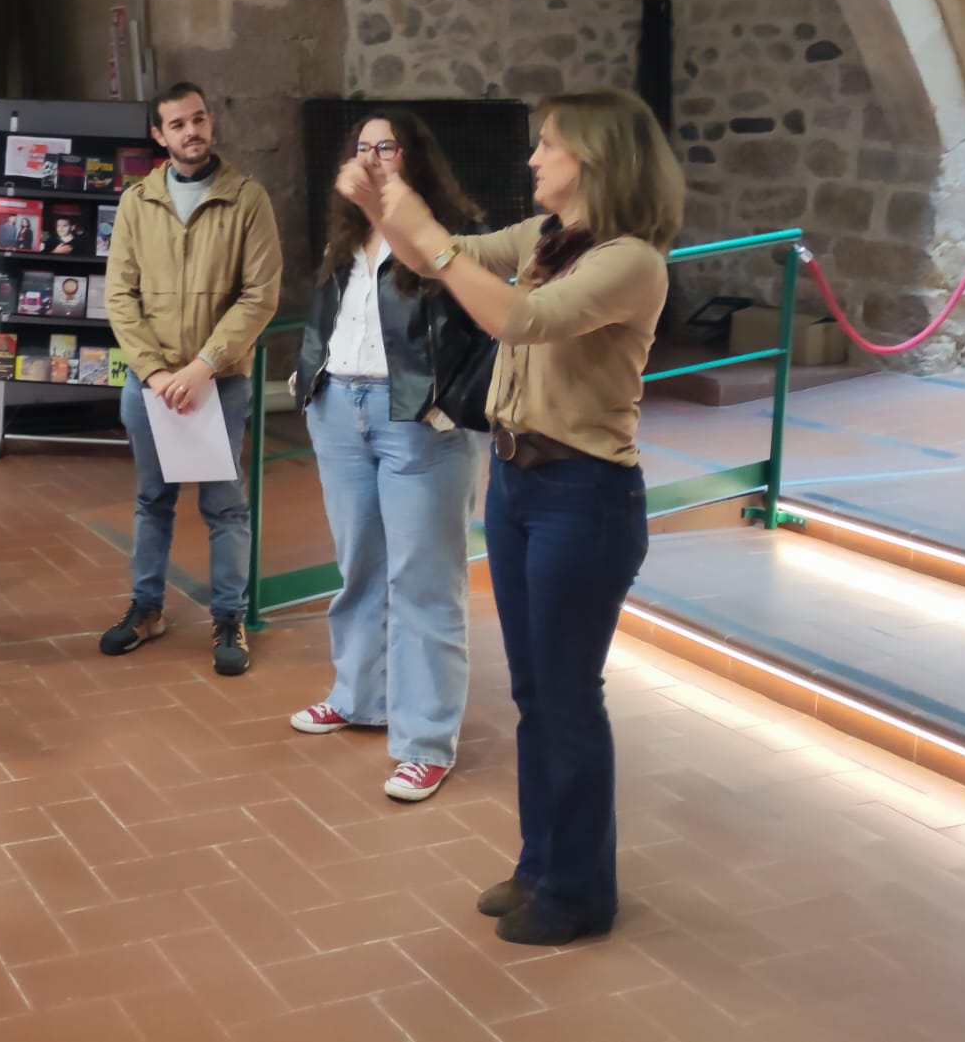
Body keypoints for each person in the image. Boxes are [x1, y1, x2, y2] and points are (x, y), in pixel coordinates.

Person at [366, 88, 682, 947]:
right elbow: (445, 258)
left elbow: (519, 317)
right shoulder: (547, 239)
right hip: (516, 487)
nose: (533, 158)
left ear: (596, 158)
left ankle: (581, 892)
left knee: (570, 694)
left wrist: (422, 228)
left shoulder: (631, 261)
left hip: (585, 495)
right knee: (536, 691)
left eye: (549, 144)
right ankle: (542, 861)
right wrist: (382, 204)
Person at [292, 110, 480, 803]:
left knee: (425, 582)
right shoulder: (348, 234)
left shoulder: (445, 235)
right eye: (363, 147)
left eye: (386, 147)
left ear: (412, 157)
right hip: (340, 408)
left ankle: (426, 742)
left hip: (418, 421)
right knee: (360, 567)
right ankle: (358, 695)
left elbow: (487, 326)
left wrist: (448, 401)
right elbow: (329, 314)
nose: (372, 158)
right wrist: (308, 378)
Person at [101, 82, 283, 676]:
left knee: (224, 506)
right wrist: (155, 374)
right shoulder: (137, 202)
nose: (191, 132)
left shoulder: (247, 198)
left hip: (219, 382)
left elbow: (260, 296)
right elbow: (119, 295)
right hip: (150, 386)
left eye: (199, 119)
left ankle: (229, 616)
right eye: (177, 124)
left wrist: (204, 366)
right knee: (152, 500)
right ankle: (147, 608)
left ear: (211, 122)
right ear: (159, 135)